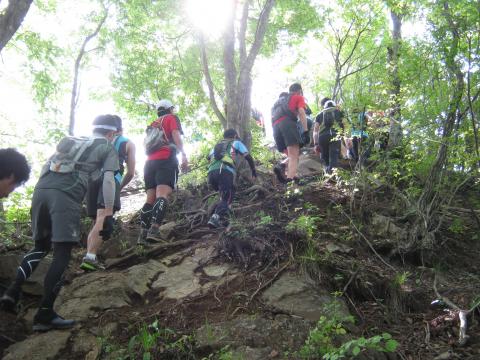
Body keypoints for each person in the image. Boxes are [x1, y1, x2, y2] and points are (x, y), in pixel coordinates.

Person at [0, 115, 119, 331]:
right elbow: (109, 179)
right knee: (62, 252)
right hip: (65, 194)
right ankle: (45, 313)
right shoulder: (107, 147)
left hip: (41, 190)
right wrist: (108, 213)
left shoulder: (71, 140)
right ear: (111, 134)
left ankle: (12, 291)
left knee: (40, 246)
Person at [81, 115, 136, 271]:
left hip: (92, 181)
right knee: (103, 217)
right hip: (111, 179)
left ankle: (90, 255)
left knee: (97, 220)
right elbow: (131, 172)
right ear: (121, 129)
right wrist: (120, 186)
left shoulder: (97, 140)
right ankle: (90, 257)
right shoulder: (128, 144)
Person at [137, 99, 188, 244]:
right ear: (169, 109)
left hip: (149, 163)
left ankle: (143, 234)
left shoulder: (153, 124)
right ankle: (154, 229)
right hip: (166, 159)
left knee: (150, 198)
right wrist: (183, 154)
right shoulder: (171, 118)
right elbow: (175, 135)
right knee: (162, 194)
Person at [206, 129, 257, 228]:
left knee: (229, 191)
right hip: (224, 171)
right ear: (234, 136)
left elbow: (208, 158)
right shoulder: (236, 143)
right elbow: (248, 157)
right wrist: (253, 171)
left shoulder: (215, 147)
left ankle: (225, 217)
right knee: (227, 197)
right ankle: (215, 217)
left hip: (211, 174)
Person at [271, 83, 308, 183]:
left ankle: (292, 175)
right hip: (287, 124)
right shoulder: (298, 97)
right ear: (299, 90)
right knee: (294, 155)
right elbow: (301, 112)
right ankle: (290, 182)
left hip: (275, 127)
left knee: (291, 155)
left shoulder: (277, 103)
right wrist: (305, 131)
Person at [313, 98, 345, 174]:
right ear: (334, 105)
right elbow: (345, 125)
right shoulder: (339, 112)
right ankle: (333, 175)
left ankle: (327, 173)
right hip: (334, 136)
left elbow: (315, 131)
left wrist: (316, 144)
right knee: (334, 156)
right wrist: (345, 138)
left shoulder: (319, 114)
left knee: (324, 157)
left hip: (322, 137)